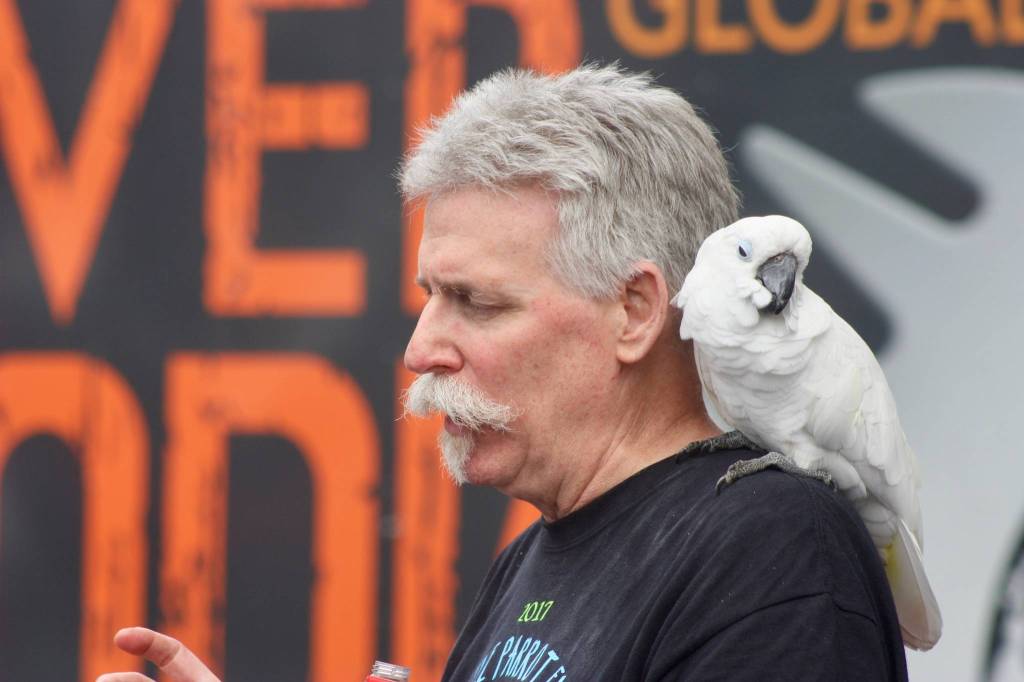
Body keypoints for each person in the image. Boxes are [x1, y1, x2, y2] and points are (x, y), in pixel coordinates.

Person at [98, 64, 908, 681]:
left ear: (633, 310)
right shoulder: (531, 559)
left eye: (475, 302)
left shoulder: (776, 551)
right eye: (430, 298)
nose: (421, 349)